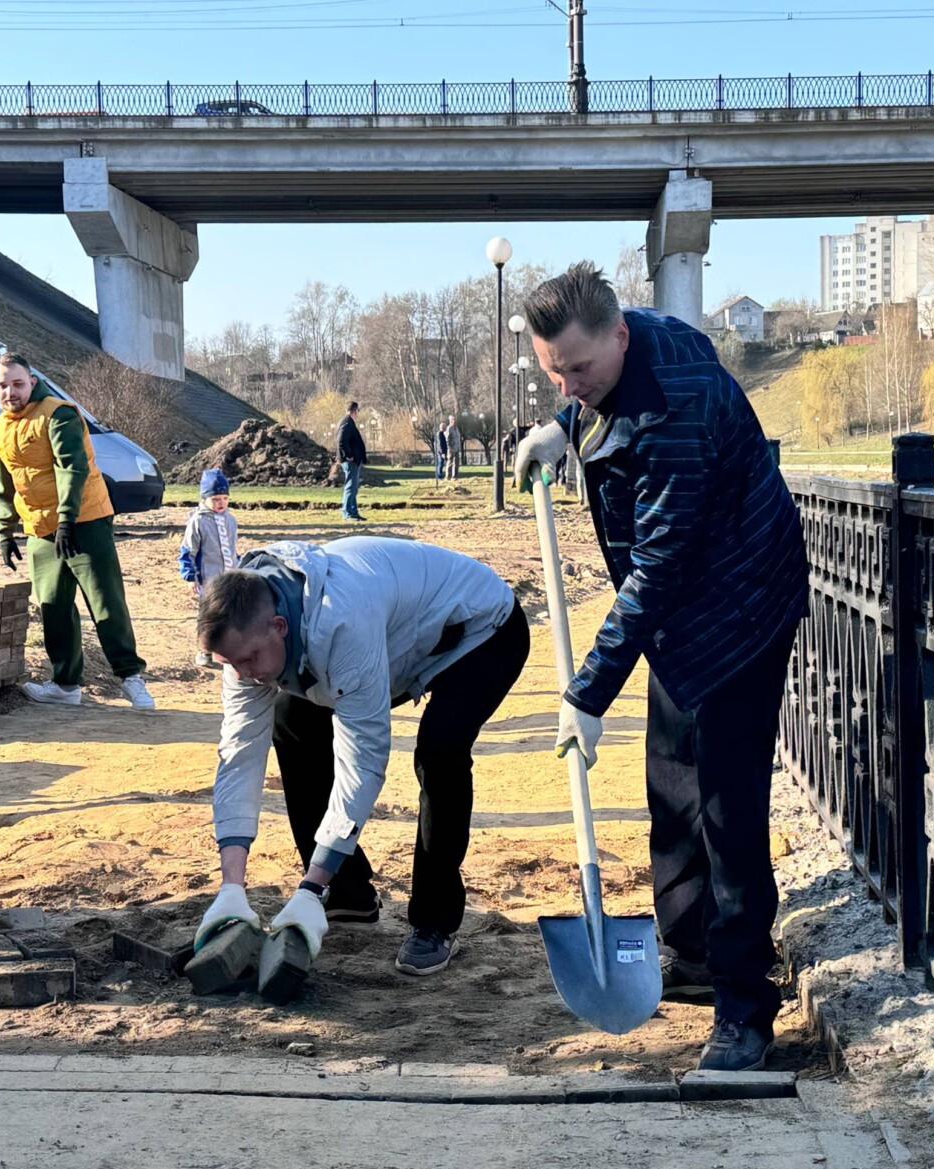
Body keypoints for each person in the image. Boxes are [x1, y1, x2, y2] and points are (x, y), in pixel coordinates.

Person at [516, 262, 808, 1072]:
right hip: (687, 609)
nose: (570, 385)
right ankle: (693, 954)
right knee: (671, 775)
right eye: (553, 373)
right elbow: (596, 407)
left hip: (742, 606)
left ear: (618, 337)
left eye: (579, 370)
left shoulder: (675, 410)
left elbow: (659, 567)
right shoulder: (619, 342)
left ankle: (746, 1011)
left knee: (725, 805)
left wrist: (587, 692)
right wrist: (565, 431)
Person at [192, 536, 529, 993]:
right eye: (232, 663)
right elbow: (238, 757)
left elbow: (363, 759)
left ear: (278, 626)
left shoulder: (341, 622)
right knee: (291, 721)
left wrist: (309, 888)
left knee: (440, 751)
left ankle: (434, 921)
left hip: (478, 630)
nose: (246, 672)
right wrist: (231, 887)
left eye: (250, 658)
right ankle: (348, 894)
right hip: (397, 637)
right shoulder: (244, 645)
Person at [0, 352, 155, 711]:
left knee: (105, 599)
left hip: (85, 520)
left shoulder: (58, 413)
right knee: (54, 606)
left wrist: (67, 520)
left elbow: (72, 469)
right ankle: (65, 684)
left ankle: (130, 678)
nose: (10, 392)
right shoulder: (1, 426)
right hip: (40, 528)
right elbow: (4, 483)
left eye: (17, 384)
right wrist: (5, 530)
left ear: (31, 381)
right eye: (2, 386)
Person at [178, 468, 239, 668]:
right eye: (215, 499)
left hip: (229, 578)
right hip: (208, 580)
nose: (221, 503)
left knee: (229, 614)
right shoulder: (198, 521)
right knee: (209, 615)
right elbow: (188, 551)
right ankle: (204, 650)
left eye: (224, 498)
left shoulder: (230, 520)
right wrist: (190, 577)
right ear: (204, 499)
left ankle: (224, 649)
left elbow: (231, 549)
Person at [336, 401, 367, 522]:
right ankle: (347, 512)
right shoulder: (347, 422)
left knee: (353, 487)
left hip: (353, 460)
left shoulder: (346, 421)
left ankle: (353, 512)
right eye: (357, 411)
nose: (358, 414)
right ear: (355, 410)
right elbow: (341, 440)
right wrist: (348, 455)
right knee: (350, 486)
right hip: (350, 461)